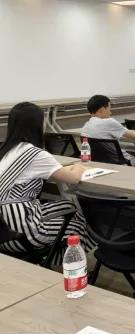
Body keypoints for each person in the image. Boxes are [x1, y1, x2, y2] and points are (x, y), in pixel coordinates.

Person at [0, 102, 94, 263]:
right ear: (36, 125)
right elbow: (74, 178)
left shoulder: (6, 150)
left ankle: (57, 260)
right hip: (20, 233)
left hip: (3, 231)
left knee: (68, 205)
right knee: (78, 224)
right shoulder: (35, 154)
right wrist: (79, 166)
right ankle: (68, 265)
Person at [82, 95, 135, 164]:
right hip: (123, 162)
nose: (110, 113)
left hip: (101, 163)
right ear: (102, 110)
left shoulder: (85, 126)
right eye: (109, 109)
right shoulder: (109, 122)